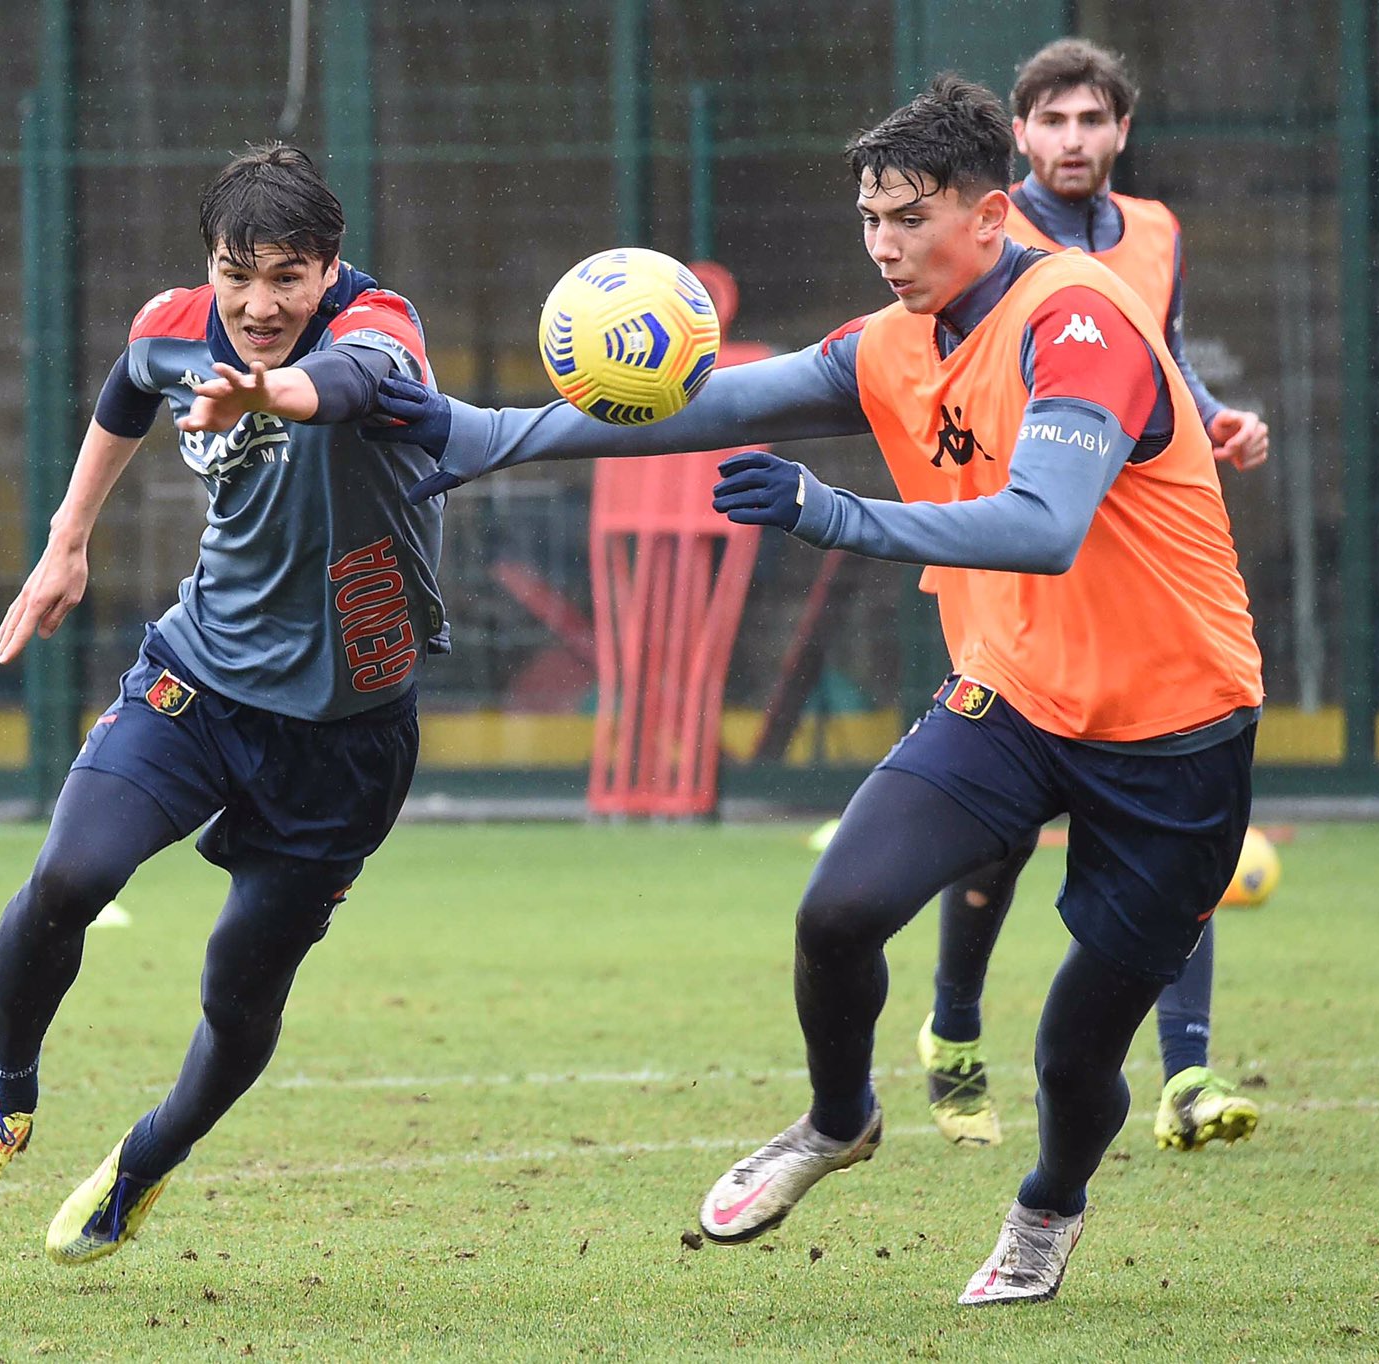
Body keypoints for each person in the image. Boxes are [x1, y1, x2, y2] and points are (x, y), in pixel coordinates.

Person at [261, 72, 1264, 1307]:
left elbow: (1044, 524)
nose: (886, 246)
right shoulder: (892, 343)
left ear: (990, 216)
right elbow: (699, 404)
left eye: (912, 217)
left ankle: (1046, 1209)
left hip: (1176, 727)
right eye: (869, 219)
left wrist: (826, 511)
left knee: (1072, 1044)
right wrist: (474, 437)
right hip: (1010, 697)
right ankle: (838, 1119)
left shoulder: (1080, 325)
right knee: (836, 911)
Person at [0, 142, 447, 1267]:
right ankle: (1, 1101)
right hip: (194, 681)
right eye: (235, 274)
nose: (259, 304)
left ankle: (148, 1156)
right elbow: (125, 390)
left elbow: (351, 382)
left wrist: (278, 389)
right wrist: (67, 542)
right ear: (208, 263)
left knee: (238, 990)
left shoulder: (378, 327)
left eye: (288, 277)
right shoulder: (172, 322)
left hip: (344, 740)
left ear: (331, 267)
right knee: (67, 875)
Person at [915, 37, 1270, 1159]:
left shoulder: (1153, 231)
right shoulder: (983, 235)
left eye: (1091, 120)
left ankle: (1187, 1072)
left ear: (1121, 130)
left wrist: (1209, 413)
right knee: (996, 834)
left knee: (1172, 804)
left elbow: (1152, 352)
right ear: (1018, 134)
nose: (1072, 139)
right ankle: (954, 1032)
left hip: (1142, 559)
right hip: (1014, 560)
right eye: (1051, 120)